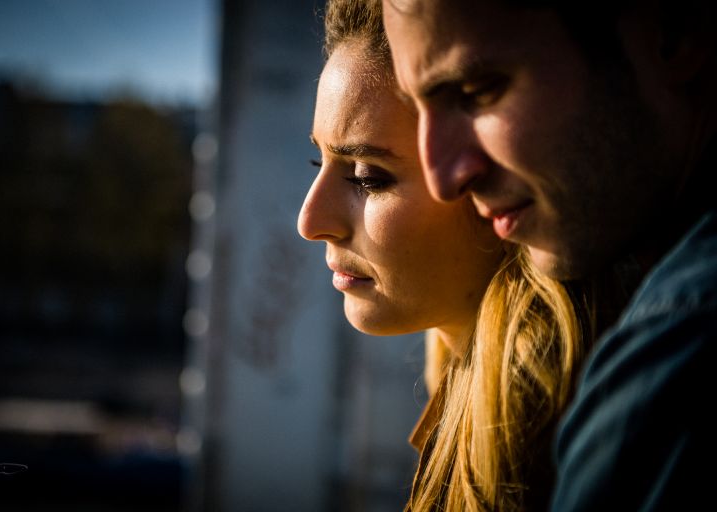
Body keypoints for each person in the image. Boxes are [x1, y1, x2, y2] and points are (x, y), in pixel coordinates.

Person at [383, 0, 717, 509]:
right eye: (419, 107)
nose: (444, 179)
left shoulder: (678, 352)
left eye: (478, 92)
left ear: (672, 34)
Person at [298, 0, 622, 509]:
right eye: (319, 160)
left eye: (368, 177)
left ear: (483, 182)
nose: (310, 222)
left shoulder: (568, 435)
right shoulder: (467, 393)